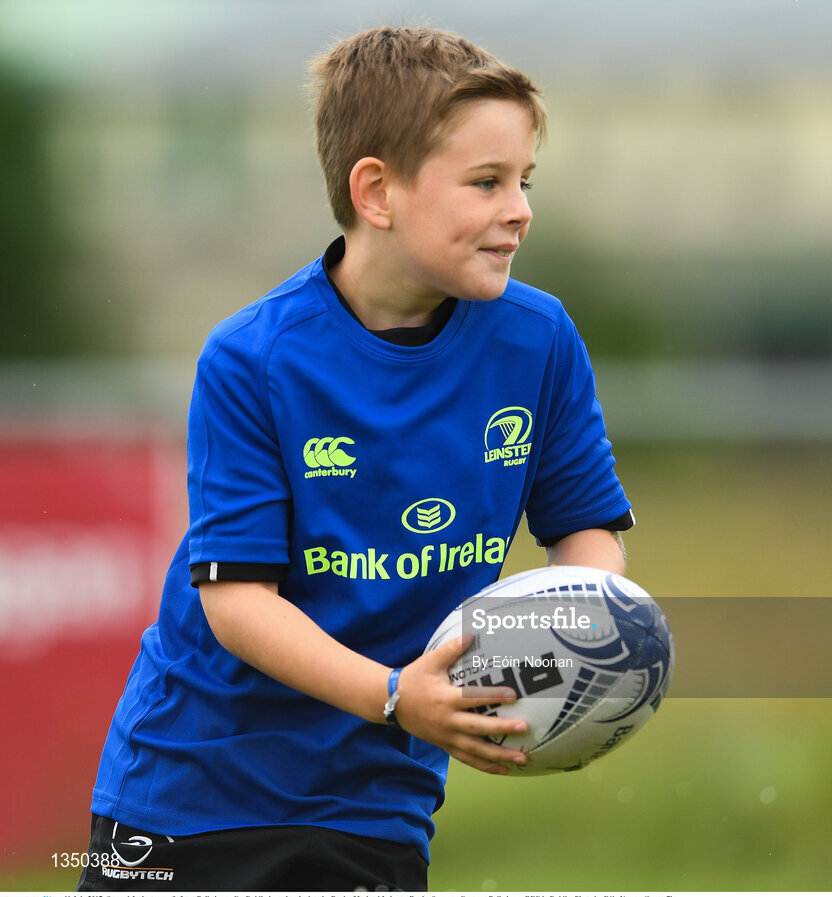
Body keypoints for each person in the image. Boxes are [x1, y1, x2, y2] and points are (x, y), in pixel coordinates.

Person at [78, 24, 634, 891]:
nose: (520, 207)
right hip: (187, 795)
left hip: (377, 800)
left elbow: (588, 531)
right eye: (486, 182)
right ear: (377, 191)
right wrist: (392, 695)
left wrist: (580, 646)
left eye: (524, 180)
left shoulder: (539, 340)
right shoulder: (254, 358)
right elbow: (237, 603)